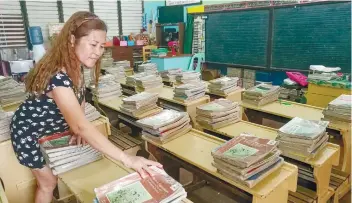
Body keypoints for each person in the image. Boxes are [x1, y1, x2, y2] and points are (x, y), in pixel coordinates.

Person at [10, 11, 162, 203]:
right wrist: (128, 159)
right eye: (93, 44)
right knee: (48, 183)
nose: (98, 52)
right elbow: (81, 125)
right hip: (27, 130)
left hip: (51, 127)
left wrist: (78, 127)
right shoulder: (58, 76)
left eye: (101, 46)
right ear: (72, 40)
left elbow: (80, 97)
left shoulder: (77, 66)